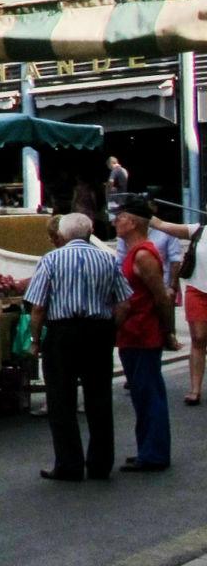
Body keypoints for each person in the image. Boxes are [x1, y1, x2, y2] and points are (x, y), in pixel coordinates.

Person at [26, 211, 130, 481]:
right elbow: (124, 302)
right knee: (99, 398)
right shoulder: (108, 259)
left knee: (61, 400)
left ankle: (69, 464)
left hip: (62, 333)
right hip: (98, 332)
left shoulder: (50, 260)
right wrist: (111, 330)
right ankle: (100, 463)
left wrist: (35, 340)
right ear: (89, 232)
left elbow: (38, 307)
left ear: (62, 235)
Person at [113, 196, 177, 472]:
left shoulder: (143, 255)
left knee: (149, 392)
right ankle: (147, 449)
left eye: (121, 217)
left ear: (135, 223)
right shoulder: (132, 252)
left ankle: (154, 453)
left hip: (143, 332)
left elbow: (161, 297)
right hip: (132, 333)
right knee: (141, 393)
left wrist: (168, 331)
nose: (116, 221)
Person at [150, 210, 207, 404]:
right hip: (197, 290)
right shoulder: (198, 231)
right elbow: (162, 225)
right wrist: (141, 210)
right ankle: (195, 389)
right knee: (198, 338)